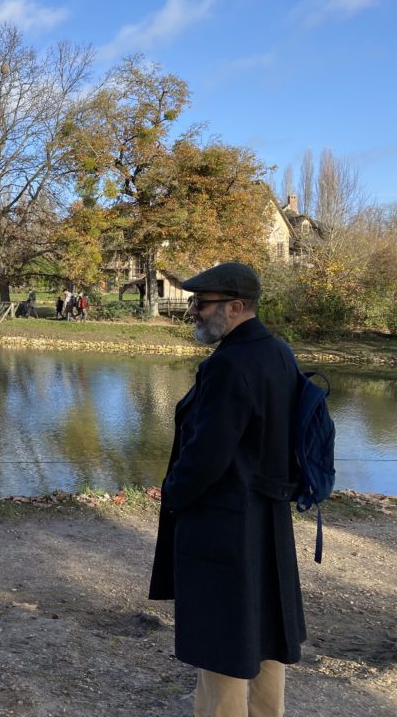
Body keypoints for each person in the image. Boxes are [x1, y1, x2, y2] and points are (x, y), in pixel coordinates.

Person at [149, 262, 305, 717]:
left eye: (202, 304)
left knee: (222, 645)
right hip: (267, 520)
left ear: (237, 307)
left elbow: (205, 457)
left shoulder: (229, 365)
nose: (194, 311)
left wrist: (174, 495)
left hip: (225, 524)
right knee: (264, 638)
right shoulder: (279, 353)